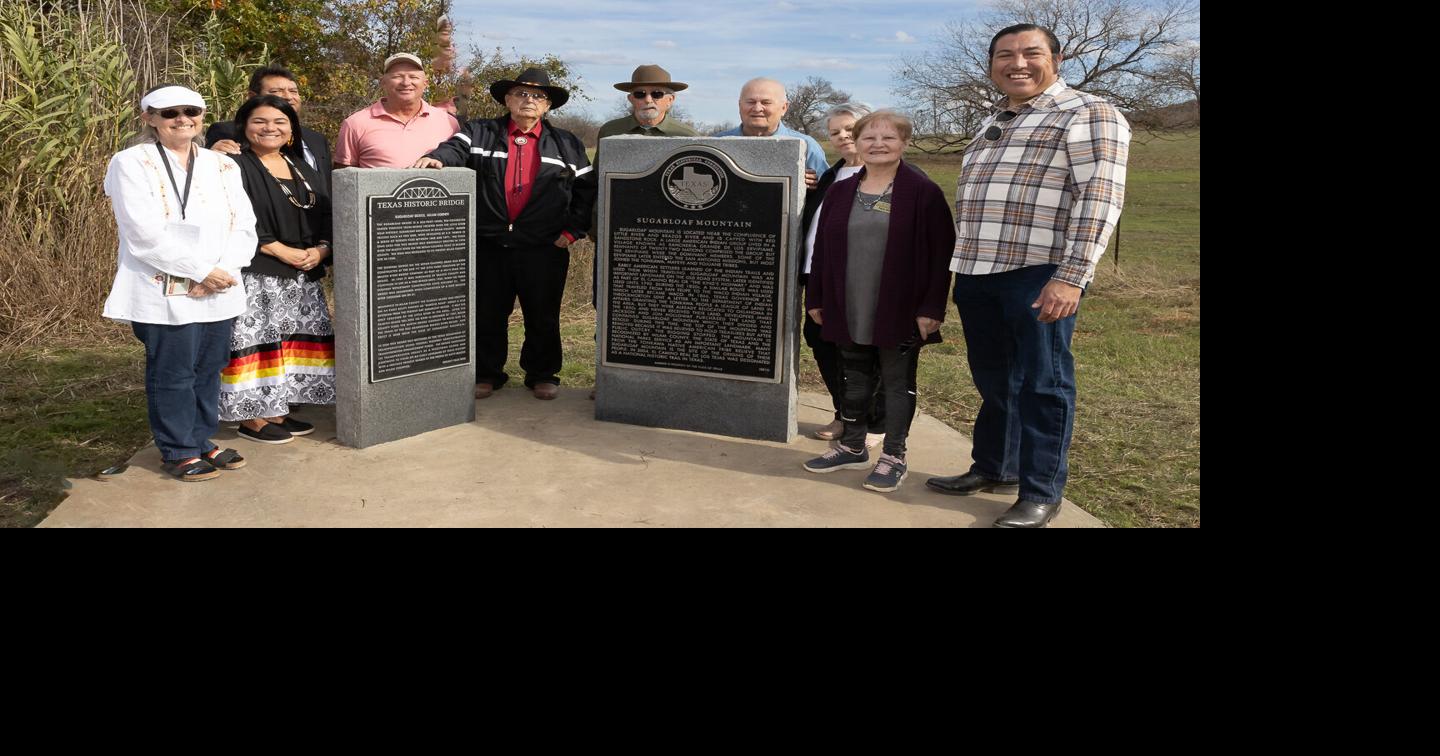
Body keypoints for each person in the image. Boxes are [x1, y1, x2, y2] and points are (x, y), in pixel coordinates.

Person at [926, 24, 1130, 528]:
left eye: (1030, 53)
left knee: (1043, 384)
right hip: (977, 270)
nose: (1017, 63)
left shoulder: (1088, 113)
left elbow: (1099, 199)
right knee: (996, 381)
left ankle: (1041, 491)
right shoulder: (995, 118)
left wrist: (1071, 276)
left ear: (1056, 59)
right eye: (1004, 55)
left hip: (1038, 273)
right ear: (992, 64)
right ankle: (997, 467)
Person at [102, 84, 257, 481]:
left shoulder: (222, 164)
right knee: (173, 371)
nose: (182, 119)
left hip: (221, 284)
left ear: (203, 116)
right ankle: (177, 448)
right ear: (148, 118)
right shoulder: (130, 162)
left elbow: (245, 225)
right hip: (163, 284)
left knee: (209, 366)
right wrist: (199, 271)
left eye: (191, 110)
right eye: (169, 112)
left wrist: (225, 270)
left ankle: (202, 438)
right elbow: (141, 232)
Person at [414, 68, 595, 401]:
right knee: (488, 312)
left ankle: (542, 374)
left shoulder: (567, 143)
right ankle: (487, 373)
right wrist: (437, 159)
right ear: (508, 99)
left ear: (548, 105)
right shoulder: (481, 131)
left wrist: (572, 231)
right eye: (521, 94)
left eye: (538, 96)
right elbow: (454, 148)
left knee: (542, 314)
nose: (529, 100)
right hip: (490, 244)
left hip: (545, 247)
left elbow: (586, 191)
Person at [801, 111, 955, 493]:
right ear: (858, 142)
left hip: (899, 307)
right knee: (853, 377)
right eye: (869, 137)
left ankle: (894, 455)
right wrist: (817, 298)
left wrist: (932, 308)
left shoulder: (922, 192)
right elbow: (821, 249)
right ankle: (852, 445)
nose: (878, 144)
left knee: (895, 381)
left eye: (889, 137)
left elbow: (942, 254)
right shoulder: (841, 191)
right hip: (847, 302)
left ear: (904, 143)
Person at [217, 95, 335, 444]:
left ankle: (278, 411)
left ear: (292, 129)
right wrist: (278, 249)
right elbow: (234, 217)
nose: (271, 128)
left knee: (290, 343)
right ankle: (252, 418)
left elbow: (327, 211)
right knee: (258, 343)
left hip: (304, 269)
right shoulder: (235, 164)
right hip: (261, 270)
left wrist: (323, 249)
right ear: (243, 127)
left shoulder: (300, 164)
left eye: (280, 122)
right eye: (260, 121)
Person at [800, 101, 885, 446]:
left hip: (860, 279)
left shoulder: (883, 175)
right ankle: (844, 413)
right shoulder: (830, 176)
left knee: (865, 349)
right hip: (816, 277)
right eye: (835, 132)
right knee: (823, 343)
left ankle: (876, 423)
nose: (843, 137)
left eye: (850, 129)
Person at [205, 66, 332, 193]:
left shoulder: (317, 139)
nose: (288, 97)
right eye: (276, 91)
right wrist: (212, 156)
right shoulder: (227, 132)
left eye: (293, 91)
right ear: (252, 96)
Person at [334, 53, 461, 169]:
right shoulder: (355, 123)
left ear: (425, 83)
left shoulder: (449, 123)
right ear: (383, 82)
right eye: (397, 76)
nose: (406, 83)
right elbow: (343, 179)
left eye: (413, 77)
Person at [715, 78, 829, 188]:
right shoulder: (716, 144)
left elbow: (829, 194)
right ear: (740, 106)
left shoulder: (807, 146)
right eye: (750, 102)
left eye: (766, 102)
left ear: (784, 108)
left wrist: (816, 186)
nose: (757, 108)